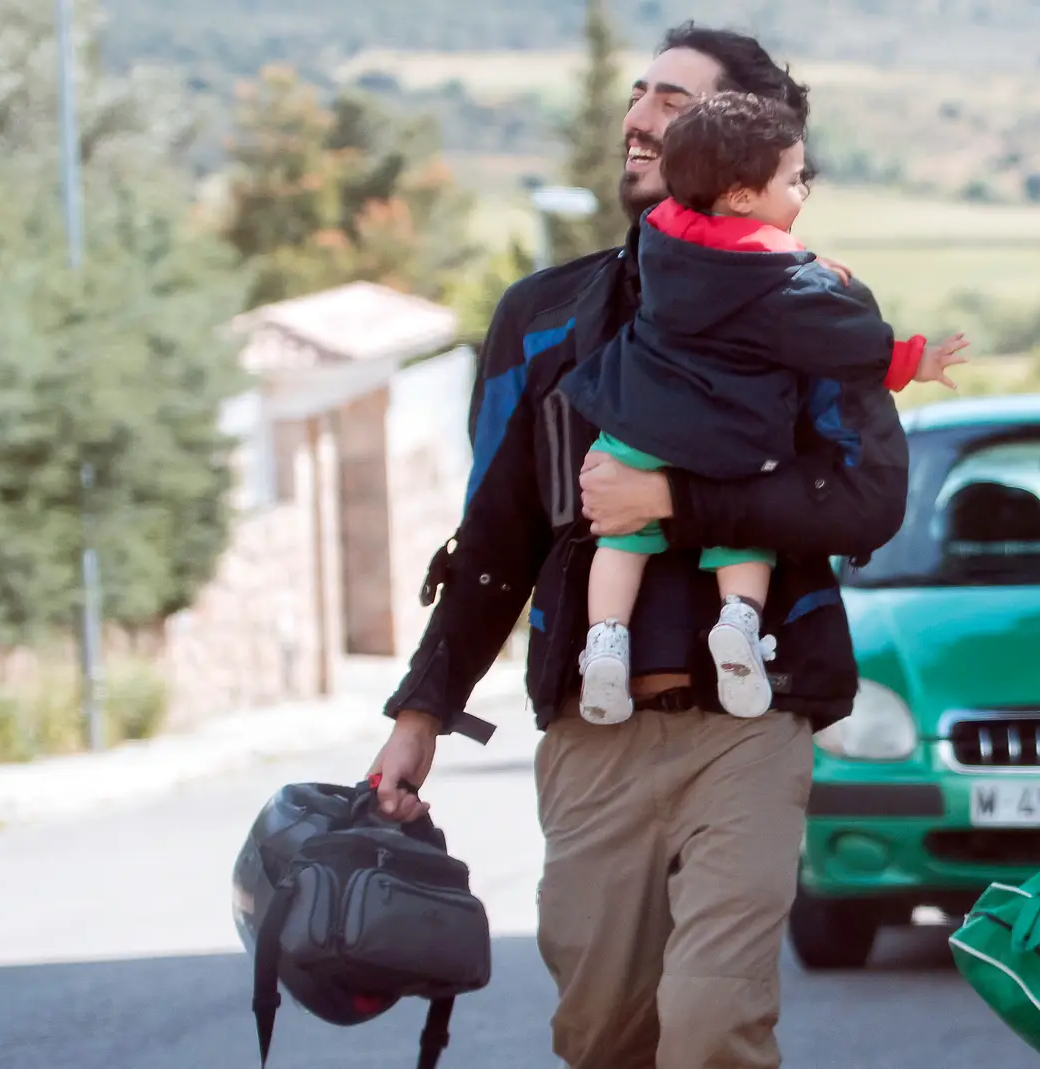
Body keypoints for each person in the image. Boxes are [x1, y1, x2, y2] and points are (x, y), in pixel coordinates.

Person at [365, 24, 911, 1069]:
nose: (638, 118)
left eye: (674, 101)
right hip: (591, 728)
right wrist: (422, 707)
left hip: (751, 721)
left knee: (711, 1025)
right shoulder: (541, 314)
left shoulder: (820, 307)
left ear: (746, 155)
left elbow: (865, 499)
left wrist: (680, 499)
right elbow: (495, 532)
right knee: (602, 1032)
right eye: (638, 93)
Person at [556, 92, 968, 724]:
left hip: (633, 420)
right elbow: (845, 342)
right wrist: (917, 359)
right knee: (742, 532)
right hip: (726, 440)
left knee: (619, 533)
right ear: (744, 195)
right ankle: (740, 624)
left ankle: (605, 641)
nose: (803, 189)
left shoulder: (660, 234)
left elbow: (722, 243)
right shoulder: (784, 278)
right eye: (794, 178)